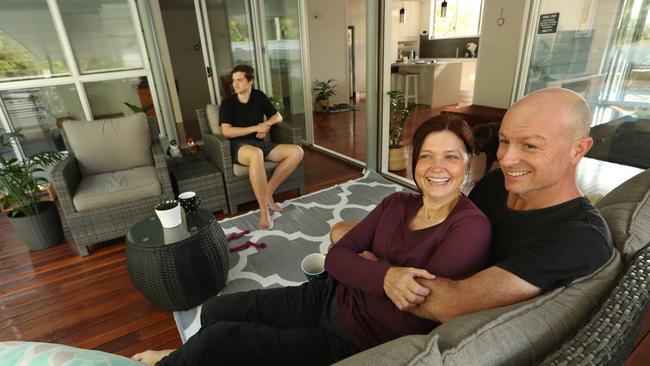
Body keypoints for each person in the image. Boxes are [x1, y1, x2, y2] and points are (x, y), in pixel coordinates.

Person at [131, 115, 491, 366]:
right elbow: (337, 258)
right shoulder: (398, 202)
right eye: (426, 156)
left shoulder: (470, 228)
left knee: (217, 341)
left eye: (451, 157)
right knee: (214, 311)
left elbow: (413, 308)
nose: (436, 167)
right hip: (326, 296)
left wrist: (366, 265)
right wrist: (385, 276)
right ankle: (181, 359)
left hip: (355, 341)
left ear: (469, 163)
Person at [332, 87, 613, 324]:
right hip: (367, 294)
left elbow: (450, 303)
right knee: (342, 230)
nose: (506, 158)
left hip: (394, 325)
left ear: (579, 149)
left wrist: (370, 267)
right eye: (504, 141)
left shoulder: (579, 237)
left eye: (529, 146)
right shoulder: (495, 184)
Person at [219, 64, 303, 230]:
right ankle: (264, 211)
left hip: (259, 143)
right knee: (256, 153)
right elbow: (226, 131)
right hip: (239, 146)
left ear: (250, 81)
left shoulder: (258, 96)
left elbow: (277, 116)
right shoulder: (228, 103)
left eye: (240, 80)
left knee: (297, 151)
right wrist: (256, 128)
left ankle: (268, 192)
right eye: (233, 80)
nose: (235, 84)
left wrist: (266, 124)